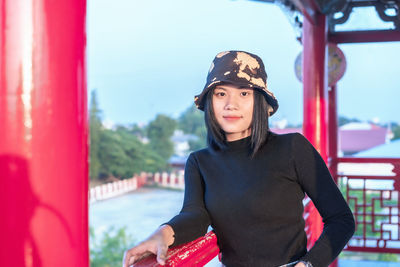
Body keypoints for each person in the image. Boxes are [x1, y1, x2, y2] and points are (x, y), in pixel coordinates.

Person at [123, 50, 355, 267]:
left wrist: (308, 264)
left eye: (244, 93)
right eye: (221, 94)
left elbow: (341, 219)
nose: (230, 104)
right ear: (210, 102)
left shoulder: (293, 148)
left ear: (260, 102)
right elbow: (194, 216)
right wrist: (162, 233)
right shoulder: (199, 162)